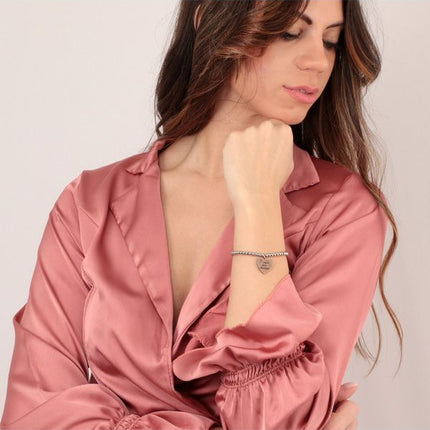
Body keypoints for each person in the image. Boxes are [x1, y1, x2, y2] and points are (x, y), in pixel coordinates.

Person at [0, 0, 402, 429]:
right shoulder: (89, 204)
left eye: (331, 41)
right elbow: (32, 416)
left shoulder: (344, 214)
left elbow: (271, 422)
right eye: (289, 32)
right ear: (211, 16)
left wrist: (258, 203)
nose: (317, 61)